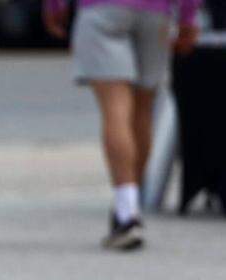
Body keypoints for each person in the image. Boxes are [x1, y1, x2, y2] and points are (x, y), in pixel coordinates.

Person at [43, 0, 201, 250]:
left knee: (116, 109)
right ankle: (129, 204)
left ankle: (126, 212)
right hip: (155, 12)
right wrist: (188, 15)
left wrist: (55, 6)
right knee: (142, 112)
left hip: (102, 10)